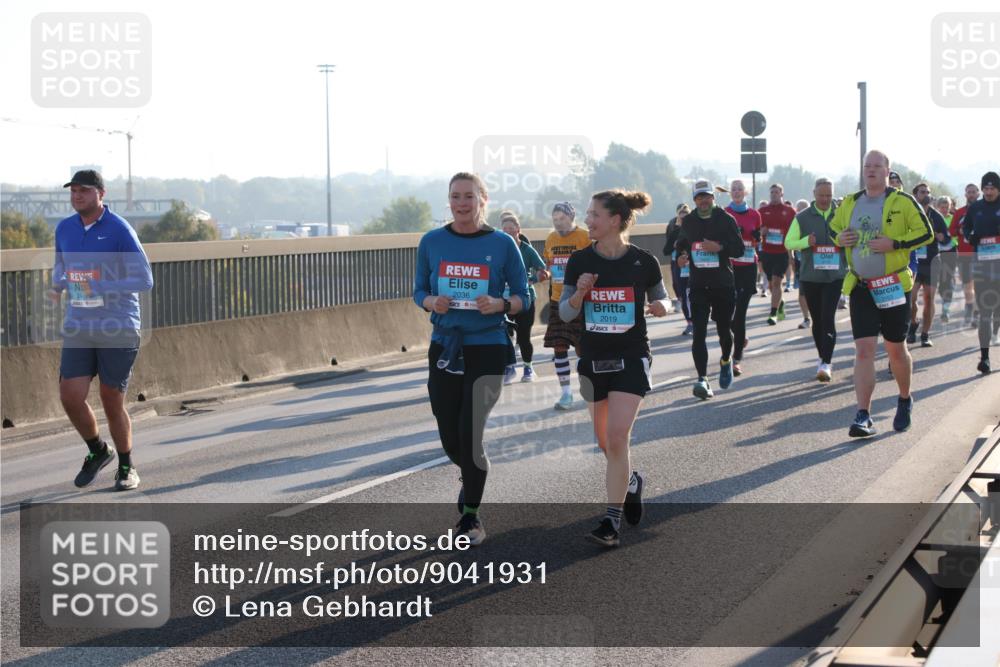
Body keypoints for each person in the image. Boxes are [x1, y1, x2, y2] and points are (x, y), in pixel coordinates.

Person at [413, 172, 529, 545]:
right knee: (450, 436)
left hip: (488, 346)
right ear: (448, 201)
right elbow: (418, 290)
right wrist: (431, 301)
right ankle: (471, 476)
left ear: (483, 200)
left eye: (469, 196)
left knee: (470, 429)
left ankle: (470, 518)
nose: (462, 203)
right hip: (446, 347)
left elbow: (524, 297)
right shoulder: (432, 241)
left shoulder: (502, 244)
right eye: (455, 196)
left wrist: (500, 303)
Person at [560, 189, 668, 547]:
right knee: (606, 442)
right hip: (593, 358)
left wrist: (661, 308)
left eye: (594, 215)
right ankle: (631, 480)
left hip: (632, 356)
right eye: (588, 214)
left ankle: (611, 521)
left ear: (615, 221)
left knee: (619, 436)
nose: (588, 221)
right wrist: (580, 294)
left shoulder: (643, 261)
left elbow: (662, 296)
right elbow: (564, 313)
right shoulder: (578, 262)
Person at [49, 169, 153, 491]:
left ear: (101, 194)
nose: (77, 196)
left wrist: (101, 284)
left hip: (118, 325)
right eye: (73, 191)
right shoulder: (65, 228)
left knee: (111, 399)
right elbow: (60, 267)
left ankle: (126, 466)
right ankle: (98, 450)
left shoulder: (119, 230)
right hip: (80, 325)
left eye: (84, 190)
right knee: (70, 395)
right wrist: (59, 284)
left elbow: (144, 279)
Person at [829, 151, 933, 437]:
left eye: (877, 166)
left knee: (895, 349)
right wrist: (839, 238)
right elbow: (832, 228)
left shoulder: (902, 201)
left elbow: (926, 234)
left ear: (888, 171)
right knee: (863, 350)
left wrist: (896, 244)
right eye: (867, 166)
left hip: (892, 285)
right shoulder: (850, 202)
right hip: (861, 285)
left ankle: (904, 398)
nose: (871, 170)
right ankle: (863, 414)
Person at [674, 180, 745, 399]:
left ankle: (726, 360)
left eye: (707, 196)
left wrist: (720, 248)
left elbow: (740, 249)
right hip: (698, 285)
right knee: (699, 334)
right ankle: (702, 379)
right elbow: (680, 245)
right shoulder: (689, 222)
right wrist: (682, 258)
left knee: (725, 331)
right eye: (699, 197)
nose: (703, 201)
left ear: (713, 198)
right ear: (694, 200)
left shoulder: (726, 219)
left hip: (723, 284)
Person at [784, 178, 846, 381]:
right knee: (818, 321)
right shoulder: (802, 218)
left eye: (829, 195)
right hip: (811, 276)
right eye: (822, 195)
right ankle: (822, 357)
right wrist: (805, 242)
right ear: (814, 194)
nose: (826, 199)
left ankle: (826, 363)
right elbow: (788, 242)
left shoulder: (842, 214)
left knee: (828, 317)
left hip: (835, 276)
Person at [542, 202, 593, 410]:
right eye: (555, 220)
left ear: (571, 217)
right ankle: (565, 394)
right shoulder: (551, 238)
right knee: (559, 346)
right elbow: (549, 264)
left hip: (581, 299)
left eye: (562, 219)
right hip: (557, 299)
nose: (558, 223)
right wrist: (544, 273)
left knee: (582, 348)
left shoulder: (584, 237)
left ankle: (587, 385)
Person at [499, 211, 547, 383]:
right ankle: (509, 367)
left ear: (518, 229)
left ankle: (528, 368)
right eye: (505, 230)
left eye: (511, 229)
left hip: (525, 299)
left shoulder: (527, 250)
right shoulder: (498, 249)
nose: (508, 232)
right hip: (503, 300)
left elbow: (544, 271)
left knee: (524, 337)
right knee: (503, 335)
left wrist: (531, 280)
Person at [961, 171, 1000, 374]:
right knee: (985, 312)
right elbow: (965, 228)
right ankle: (984, 358)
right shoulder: (975, 207)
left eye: (993, 188)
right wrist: (970, 236)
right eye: (986, 188)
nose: (989, 192)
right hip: (983, 265)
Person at [724, 179, 761, 376]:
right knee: (727, 313)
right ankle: (741, 335)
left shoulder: (755, 214)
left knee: (740, 314)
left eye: (740, 189)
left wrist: (756, 237)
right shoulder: (724, 213)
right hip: (729, 268)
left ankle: (736, 358)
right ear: (730, 192)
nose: (737, 192)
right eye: (734, 189)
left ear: (745, 192)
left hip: (748, 266)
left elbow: (757, 241)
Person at [907, 183, 951, 346]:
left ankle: (925, 334)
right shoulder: (909, 213)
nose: (926, 194)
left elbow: (947, 238)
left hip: (932, 261)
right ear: (915, 194)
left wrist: (941, 237)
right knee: (911, 298)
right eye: (922, 192)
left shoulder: (936, 216)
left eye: (928, 192)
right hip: (913, 261)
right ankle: (913, 324)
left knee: (929, 298)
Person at [759, 184, 797, 324]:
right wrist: (761, 231)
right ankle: (779, 303)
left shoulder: (790, 211)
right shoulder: (762, 211)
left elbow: (794, 233)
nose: (774, 194)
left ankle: (773, 313)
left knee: (776, 282)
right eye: (772, 192)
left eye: (776, 192)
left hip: (781, 253)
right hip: (767, 252)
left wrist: (791, 255)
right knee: (771, 284)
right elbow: (756, 231)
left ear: (782, 194)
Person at [952, 183, 981, 327]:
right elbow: (951, 231)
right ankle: (971, 306)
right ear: (965, 195)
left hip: (982, 254)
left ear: (978, 193)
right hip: (964, 254)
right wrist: (960, 230)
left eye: (974, 192)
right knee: (968, 286)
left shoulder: (985, 210)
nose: (971, 194)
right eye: (969, 192)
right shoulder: (959, 212)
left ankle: (976, 312)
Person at [663, 203, 693, 335]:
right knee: (681, 293)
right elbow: (665, 250)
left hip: (693, 265)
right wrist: (675, 245)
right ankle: (690, 322)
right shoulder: (675, 231)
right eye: (682, 216)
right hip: (678, 266)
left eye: (687, 216)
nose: (684, 218)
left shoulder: (696, 230)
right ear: (678, 218)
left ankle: (697, 320)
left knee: (693, 294)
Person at [934, 195, 956, 321]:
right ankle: (944, 300)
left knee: (947, 280)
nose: (944, 209)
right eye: (942, 207)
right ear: (937, 207)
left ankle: (945, 309)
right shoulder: (934, 219)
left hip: (951, 252)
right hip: (936, 252)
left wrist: (949, 238)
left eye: (947, 207)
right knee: (941, 283)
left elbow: (957, 235)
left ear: (950, 207)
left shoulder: (953, 219)